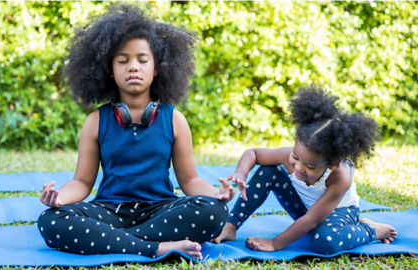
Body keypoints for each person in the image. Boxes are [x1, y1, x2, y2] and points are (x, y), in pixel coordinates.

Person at [37, 4, 234, 259]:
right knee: (50, 220)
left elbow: (188, 181)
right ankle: (155, 247)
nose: (133, 67)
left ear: (157, 68)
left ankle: (115, 242)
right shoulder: (95, 121)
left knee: (214, 212)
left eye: (142, 60)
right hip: (109, 212)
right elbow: (83, 182)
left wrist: (215, 194)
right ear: (109, 70)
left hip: (162, 211)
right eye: (123, 60)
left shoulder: (175, 119)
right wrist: (58, 198)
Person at [212, 84, 398, 254]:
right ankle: (231, 226)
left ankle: (371, 229)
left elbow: (311, 220)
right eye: (296, 156)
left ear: (331, 164)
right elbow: (253, 153)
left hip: (339, 212)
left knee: (324, 242)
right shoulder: (290, 158)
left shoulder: (340, 177)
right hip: (306, 209)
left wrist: (275, 243)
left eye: (310, 166)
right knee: (268, 170)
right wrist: (240, 174)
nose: (298, 168)